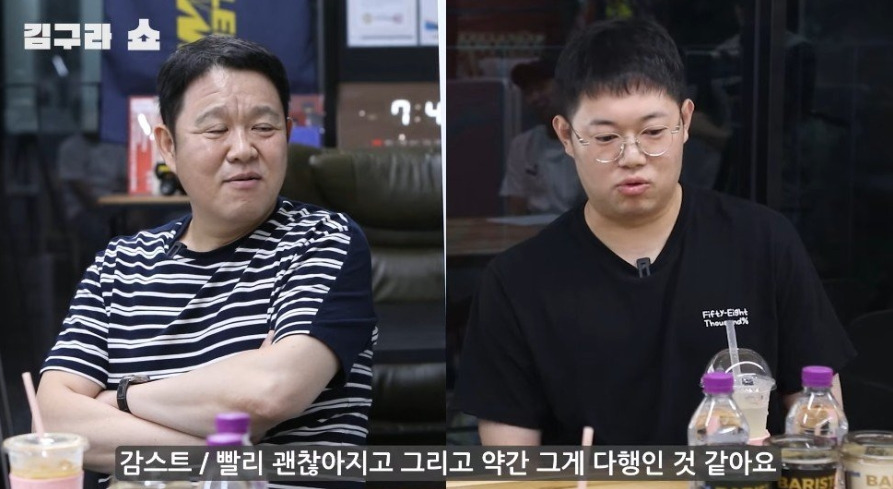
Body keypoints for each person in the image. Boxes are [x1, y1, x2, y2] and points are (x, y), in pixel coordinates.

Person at [453, 18, 855, 446]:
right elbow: (511, 466)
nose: (632, 156)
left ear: (685, 121)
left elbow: (820, 425)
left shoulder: (763, 243)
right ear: (566, 136)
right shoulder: (517, 283)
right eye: (605, 137)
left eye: (653, 132)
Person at [37, 35, 377, 488]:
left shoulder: (321, 240)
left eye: (264, 128)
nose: (243, 149)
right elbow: (54, 420)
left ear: (288, 135)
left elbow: (268, 394)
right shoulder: (117, 265)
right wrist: (223, 454)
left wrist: (120, 397)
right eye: (216, 130)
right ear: (168, 146)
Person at [500, 59, 586, 215]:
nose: (534, 98)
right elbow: (516, 208)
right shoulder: (522, 145)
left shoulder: (592, 142)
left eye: (541, 88)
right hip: (536, 228)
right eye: (528, 92)